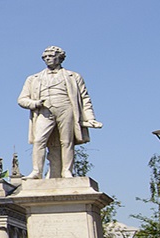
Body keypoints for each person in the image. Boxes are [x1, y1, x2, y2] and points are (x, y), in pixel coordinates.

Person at [17, 46, 102, 179]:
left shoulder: (74, 76)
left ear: (60, 58)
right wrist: (34, 103)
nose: (47, 59)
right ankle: (36, 171)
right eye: (45, 57)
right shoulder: (33, 78)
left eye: (51, 56)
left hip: (66, 108)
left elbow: (85, 98)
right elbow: (22, 99)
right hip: (44, 110)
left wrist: (90, 118)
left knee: (67, 141)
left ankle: (66, 171)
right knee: (39, 140)